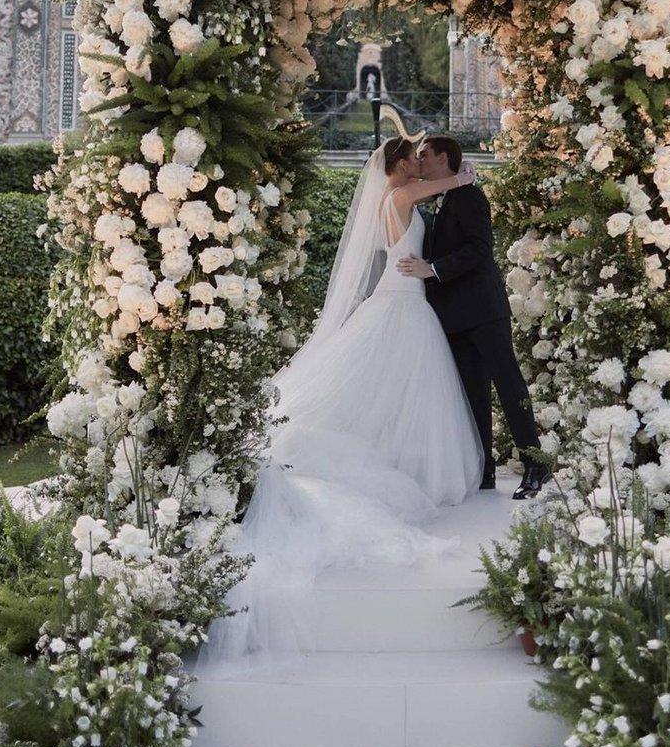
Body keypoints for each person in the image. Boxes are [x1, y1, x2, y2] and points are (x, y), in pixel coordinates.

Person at [202, 134, 485, 668]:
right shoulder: (399, 197)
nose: (420, 167)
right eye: (413, 160)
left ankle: (397, 457)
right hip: (403, 305)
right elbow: (447, 182)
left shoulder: (396, 197)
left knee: (394, 398)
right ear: (399, 167)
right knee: (398, 393)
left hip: (404, 302)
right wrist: (461, 175)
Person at [397, 136, 549, 501]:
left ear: (443, 157)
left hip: (483, 310)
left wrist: (433, 269)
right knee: (472, 393)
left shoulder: (470, 197)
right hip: (452, 316)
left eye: (424, 155)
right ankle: (483, 470)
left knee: (509, 384)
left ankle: (535, 463)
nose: (419, 160)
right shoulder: (446, 193)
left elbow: (480, 249)